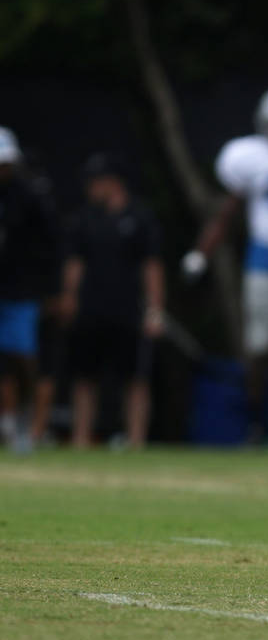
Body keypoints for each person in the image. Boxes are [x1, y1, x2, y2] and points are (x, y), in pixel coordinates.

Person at [183, 85, 268, 443]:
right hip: (261, 257)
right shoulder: (249, 156)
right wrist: (202, 252)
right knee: (259, 344)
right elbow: (227, 211)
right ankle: (256, 421)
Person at [61, 154, 165, 448]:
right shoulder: (84, 218)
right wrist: (69, 297)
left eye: (96, 182)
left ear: (112, 183)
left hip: (129, 309)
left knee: (135, 378)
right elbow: (75, 263)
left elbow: (152, 266)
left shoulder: (140, 217)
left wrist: (155, 309)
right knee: (84, 376)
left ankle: (135, 440)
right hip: (90, 307)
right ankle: (81, 438)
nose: (90, 189)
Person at [0, 127, 61, 451]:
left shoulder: (30, 197)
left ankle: (28, 422)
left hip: (23, 290)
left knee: (23, 356)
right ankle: (8, 422)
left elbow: (51, 247)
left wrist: (54, 290)